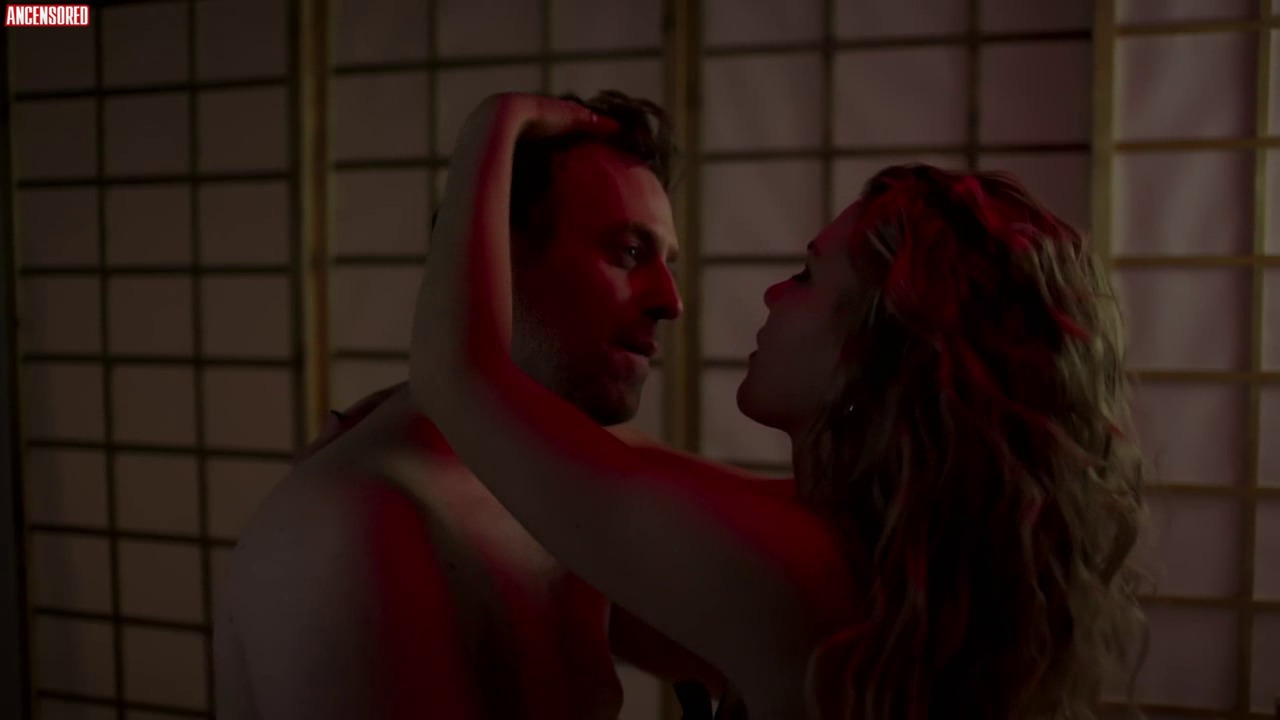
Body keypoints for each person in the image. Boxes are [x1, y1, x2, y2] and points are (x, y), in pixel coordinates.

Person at [412, 93, 1149, 719]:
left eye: (805, 277)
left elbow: (460, 378)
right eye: (629, 253)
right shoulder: (890, 541)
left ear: (878, 349)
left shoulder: (794, 567)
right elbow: (626, 478)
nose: (769, 293)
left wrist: (495, 126)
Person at [213, 90, 726, 719]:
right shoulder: (358, 529)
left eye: (666, 263)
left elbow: (730, 630)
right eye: (628, 253)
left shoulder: (560, 482)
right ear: (487, 259)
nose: (671, 301)